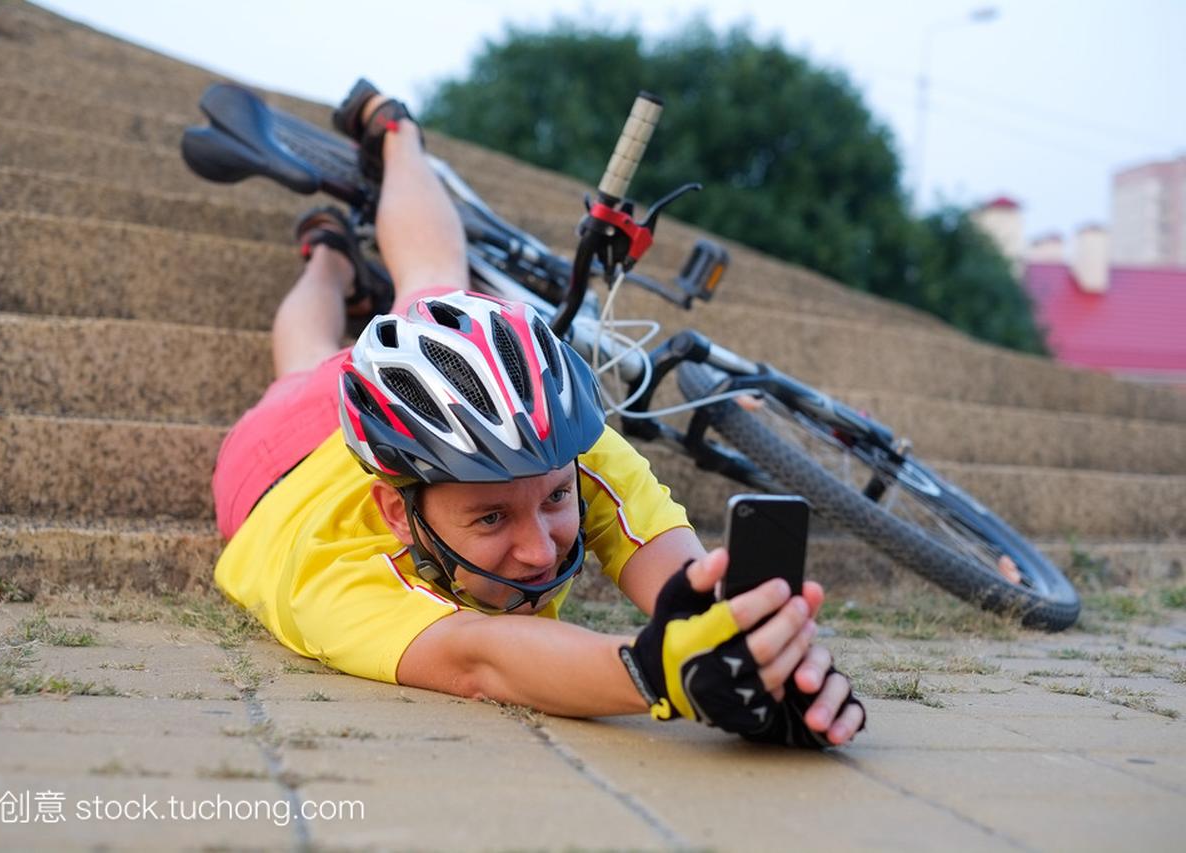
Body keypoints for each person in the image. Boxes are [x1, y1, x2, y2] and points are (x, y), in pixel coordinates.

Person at [212, 80, 864, 747]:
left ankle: (394, 136)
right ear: (392, 511)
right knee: (304, 368)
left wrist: (757, 647)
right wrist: (660, 672)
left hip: (439, 432)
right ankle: (329, 256)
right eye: (491, 515)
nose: (540, 547)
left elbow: (679, 578)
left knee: (436, 291)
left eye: (556, 498)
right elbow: (481, 658)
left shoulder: (554, 444)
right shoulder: (330, 581)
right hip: (275, 471)